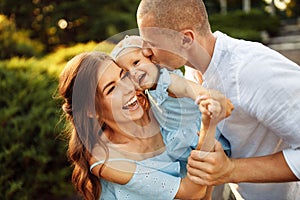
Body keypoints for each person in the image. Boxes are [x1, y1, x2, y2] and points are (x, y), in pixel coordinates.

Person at [136, 0, 300, 199]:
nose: (145, 51)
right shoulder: (191, 72)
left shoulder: (254, 70)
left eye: (152, 43)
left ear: (186, 40)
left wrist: (231, 170)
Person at [58, 51, 233, 200]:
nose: (127, 88)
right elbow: (192, 191)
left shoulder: (158, 108)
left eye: (124, 75)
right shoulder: (107, 161)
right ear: (91, 110)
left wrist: (205, 94)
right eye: (111, 89)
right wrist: (208, 127)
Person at [110, 35, 232, 159]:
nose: (133, 72)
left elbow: (187, 87)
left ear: (151, 59)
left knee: (207, 161)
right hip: (175, 138)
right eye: (126, 74)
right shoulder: (147, 91)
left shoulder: (167, 80)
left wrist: (207, 98)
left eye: (136, 63)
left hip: (195, 131)